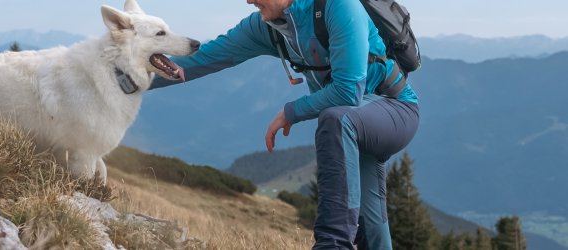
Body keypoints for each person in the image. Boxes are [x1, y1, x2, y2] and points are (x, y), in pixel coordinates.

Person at [151, 0, 419, 249]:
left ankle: (332, 245)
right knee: (372, 223)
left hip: (394, 110)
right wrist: (124, 80)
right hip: (354, 123)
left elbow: (348, 92)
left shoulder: (339, 6)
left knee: (336, 118)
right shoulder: (267, 27)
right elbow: (198, 61)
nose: (248, 0)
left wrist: (290, 112)